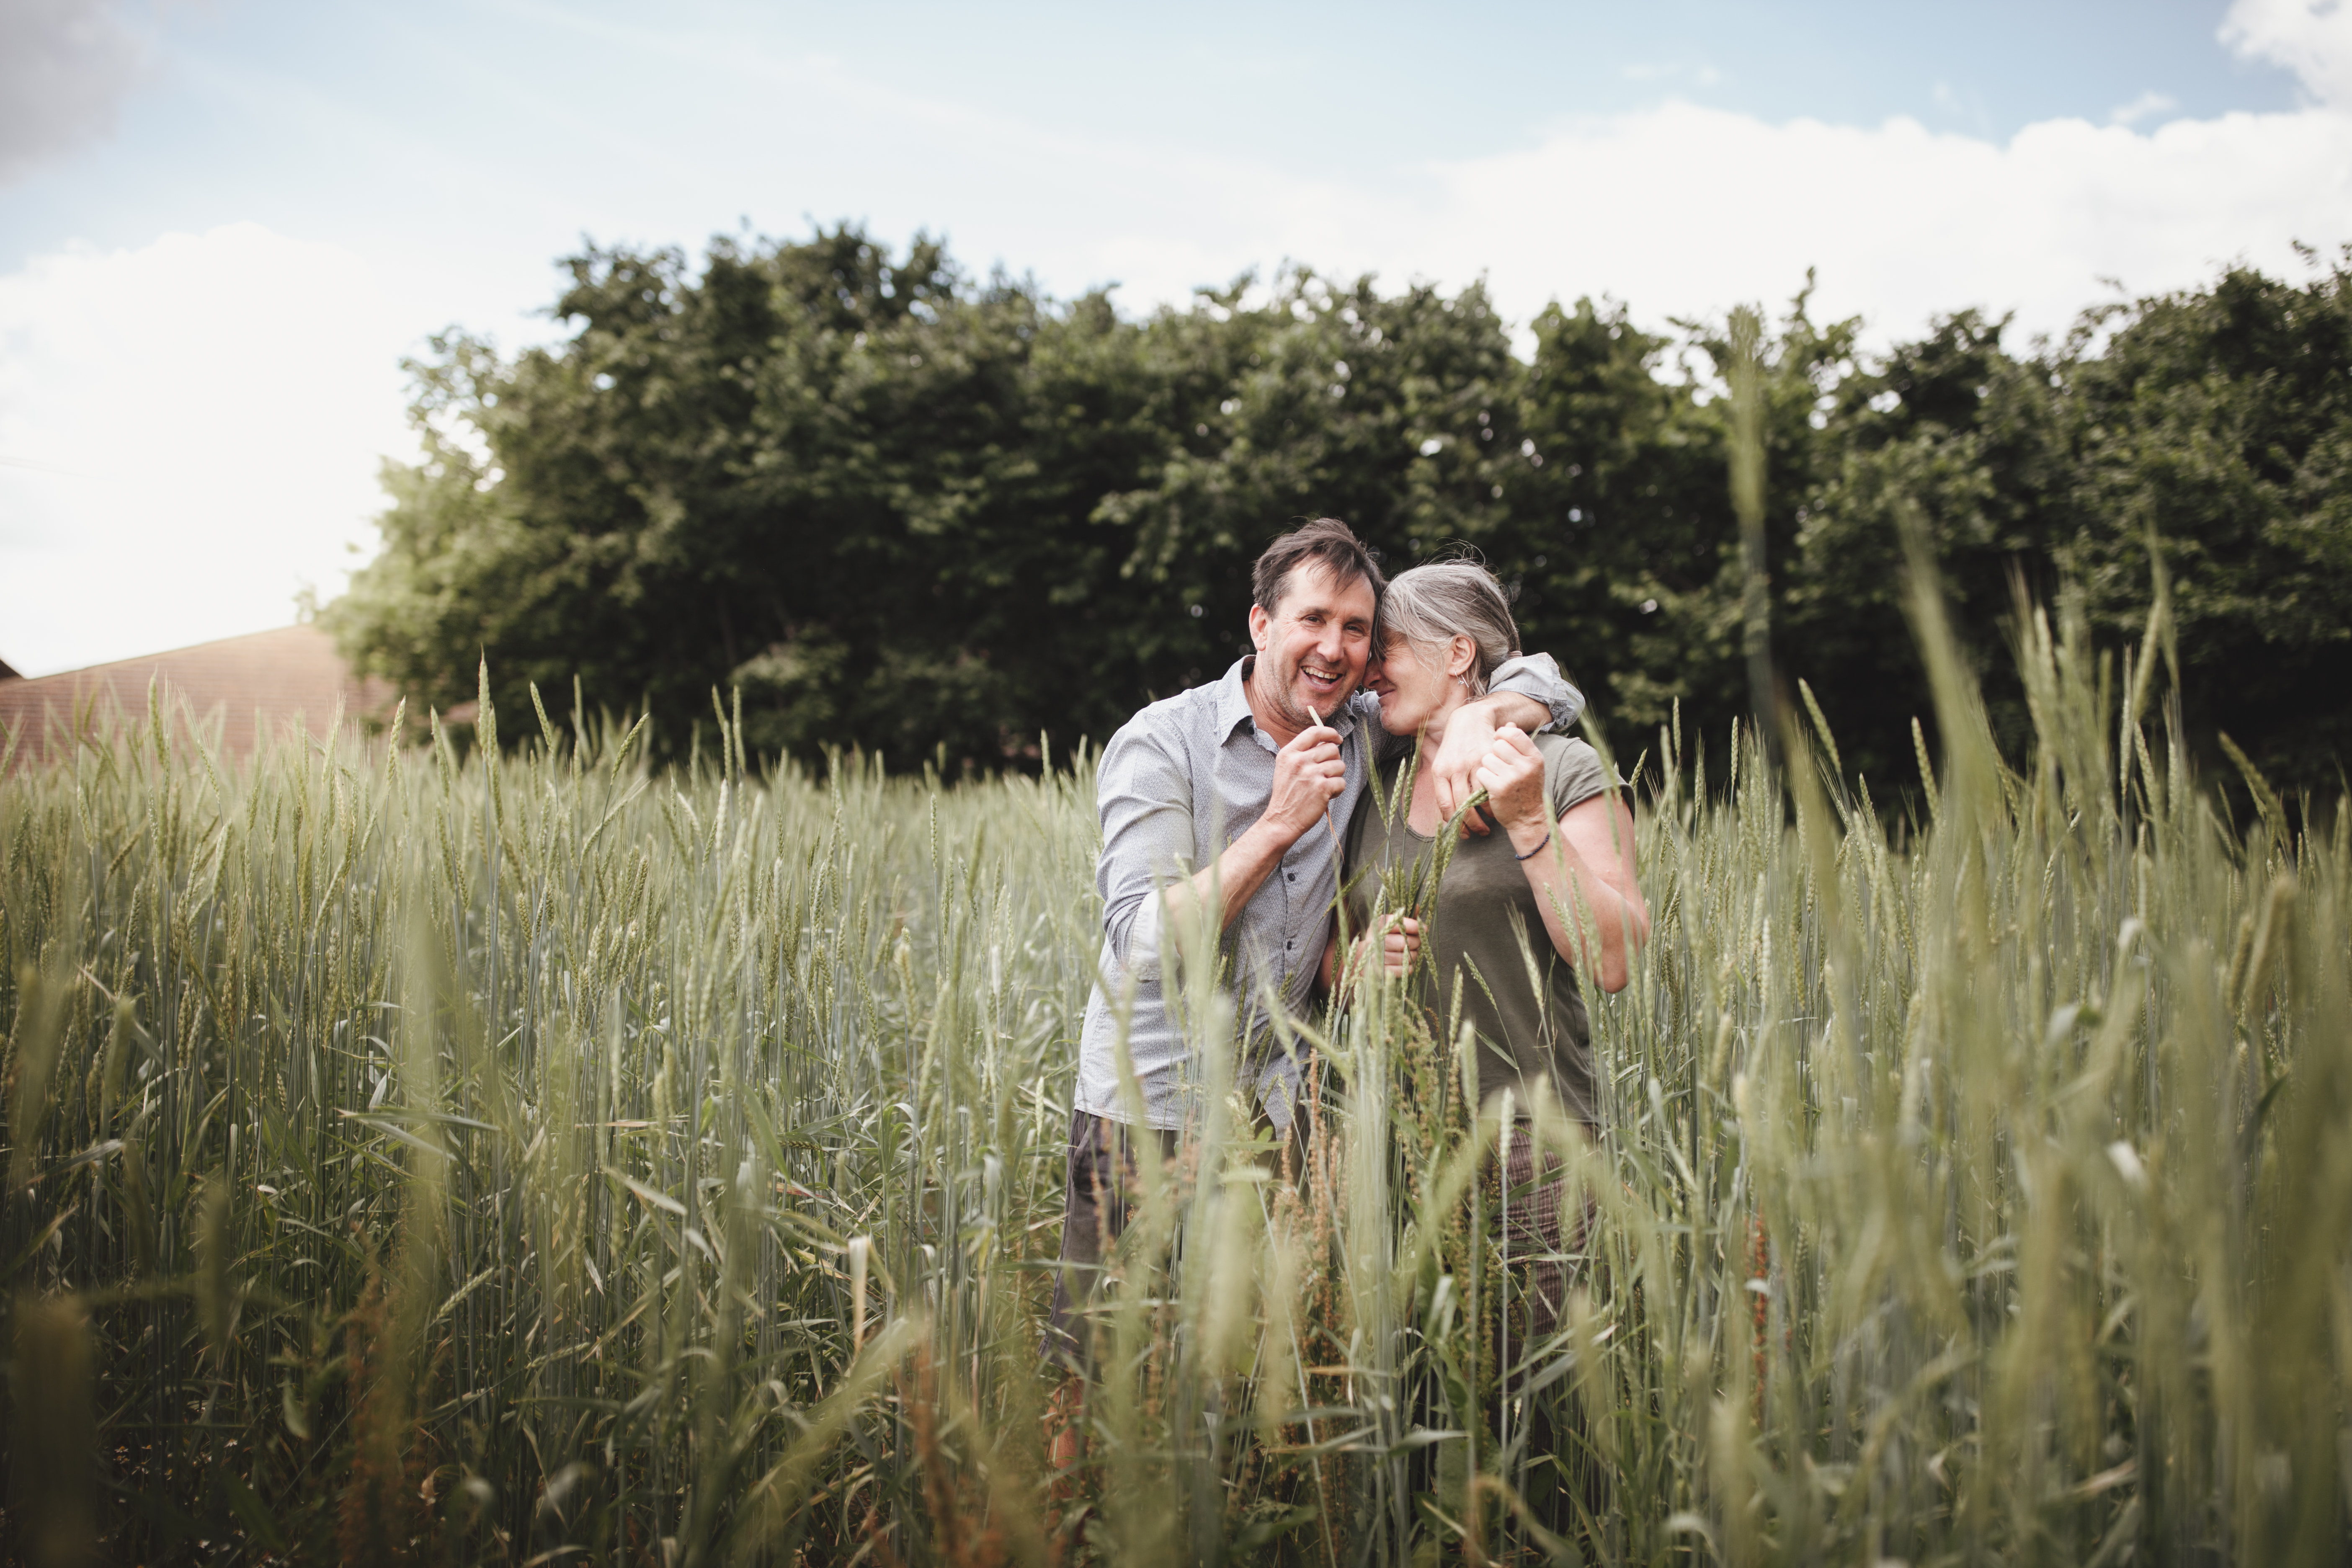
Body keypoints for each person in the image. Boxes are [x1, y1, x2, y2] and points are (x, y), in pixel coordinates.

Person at [1044, 521, 1582, 1390]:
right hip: (1152, 1113)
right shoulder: (1162, 743)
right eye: (1313, 620)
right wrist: (1279, 824)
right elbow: (1143, 946)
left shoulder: (1366, 726)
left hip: (1283, 1121)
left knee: (1251, 1380)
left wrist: (1486, 712)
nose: (1335, 649)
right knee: (1100, 1378)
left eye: (1357, 630)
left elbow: (1544, 678)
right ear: (1261, 625)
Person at [1333, 557, 1650, 1520]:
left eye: (1384, 646)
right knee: (1418, 1411)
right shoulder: (1376, 787)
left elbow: (1613, 955)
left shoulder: (1560, 769)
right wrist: (1357, 974)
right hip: (1395, 1147)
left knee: (1537, 1422)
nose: (1368, 668)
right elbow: (1343, 956)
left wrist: (1526, 825)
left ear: (1459, 652)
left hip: (1532, 1150)